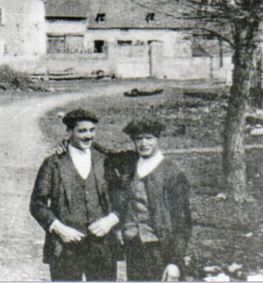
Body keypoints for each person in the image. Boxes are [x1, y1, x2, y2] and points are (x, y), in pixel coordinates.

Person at [30, 108, 120, 281]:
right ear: (69, 132)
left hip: (102, 245)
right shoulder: (53, 163)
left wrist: (110, 220)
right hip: (65, 246)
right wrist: (59, 229)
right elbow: (37, 204)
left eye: (92, 130)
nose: (88, 136)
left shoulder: (105, 160)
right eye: (82, 131)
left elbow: (122, 196)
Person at [109, 118, 192, 282]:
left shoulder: (172, 173)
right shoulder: (130, 165)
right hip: (133, 243)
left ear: (157, 139)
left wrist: (175, 262)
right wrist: (66, 143)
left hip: (159, 246)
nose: (144, 143)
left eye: (149, 138)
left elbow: (182, 221)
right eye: (138, 139)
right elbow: (101, 152)